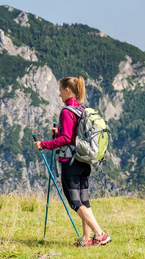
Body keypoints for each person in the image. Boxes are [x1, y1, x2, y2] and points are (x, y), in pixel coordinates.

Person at [34, 76, 111, 247]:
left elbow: (67, 139)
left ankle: (100, 234)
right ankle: (86, 238)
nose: (59, 93)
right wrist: (58, 132)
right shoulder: (81, 110)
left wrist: (44, 144)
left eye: (60, 90)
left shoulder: (66, 111)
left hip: (71, 163)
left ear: (67, 90)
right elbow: (72, 135)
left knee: (75, 202)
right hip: (84, 161)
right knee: (84, 201)